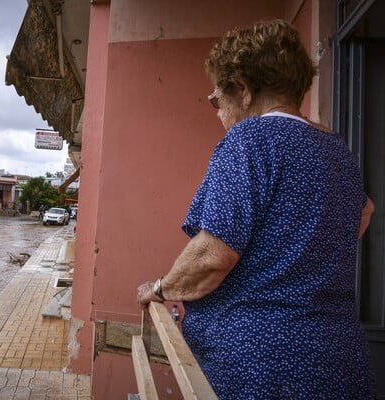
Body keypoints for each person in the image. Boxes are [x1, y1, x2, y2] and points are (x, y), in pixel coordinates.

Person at [136, 19, 376, 399]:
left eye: (217, 99)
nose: (217, 113)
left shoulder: (249, 139)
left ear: (244, 91)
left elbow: (213, 255)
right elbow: (363, 212)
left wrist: (162, 288)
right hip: (340, 360)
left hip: (259, 367)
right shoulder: (335, 147)